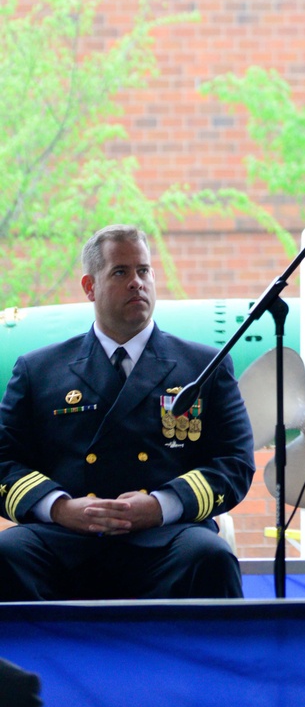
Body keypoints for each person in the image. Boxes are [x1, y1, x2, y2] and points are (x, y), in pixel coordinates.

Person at [0, 225, 255, 601]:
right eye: (120, 272)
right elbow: (4, 461)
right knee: (6, 555)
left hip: (167, 539)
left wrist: (160, 506)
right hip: (65, 539)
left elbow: (234, 462)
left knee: (211, 556)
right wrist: (60, 508)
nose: (137, 282)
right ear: (90, 286)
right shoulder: (39, 369)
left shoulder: (203, 366)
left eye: (144, 271)